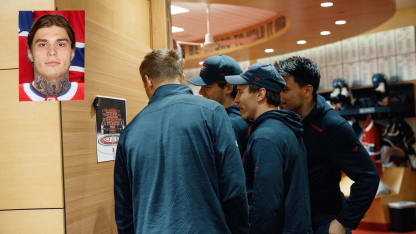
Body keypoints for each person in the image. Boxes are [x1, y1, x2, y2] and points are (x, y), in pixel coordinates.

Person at [114, 49, 249, 234]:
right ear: (182, 76)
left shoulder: (130, 132)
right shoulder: (212, 113)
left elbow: (124, 211)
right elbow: (234, 190)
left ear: (147, 80)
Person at [275, 56, 380, 234]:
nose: (279, 95)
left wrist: (343, 222)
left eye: (285, 89)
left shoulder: (333, 126)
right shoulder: (284, 120)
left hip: (325, 223)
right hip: (294, 223)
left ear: (307, 90)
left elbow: (368, 176)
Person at [225, 63, 312, 234]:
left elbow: (267, 204)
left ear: (260, 94)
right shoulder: (283, 128)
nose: (236, 100)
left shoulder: (266, 138)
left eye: (241, 92)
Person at [188, 55, 249, 156]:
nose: (201, 92)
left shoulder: (231, 124)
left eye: (207, 87)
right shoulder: (226, 118)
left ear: (228, 88)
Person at [19, 14, 83, 101]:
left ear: (72, 52)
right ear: (30, 53)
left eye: (61, 44)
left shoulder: (90, 93)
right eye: (43, 44)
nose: (52, 52)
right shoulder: (9, 96)